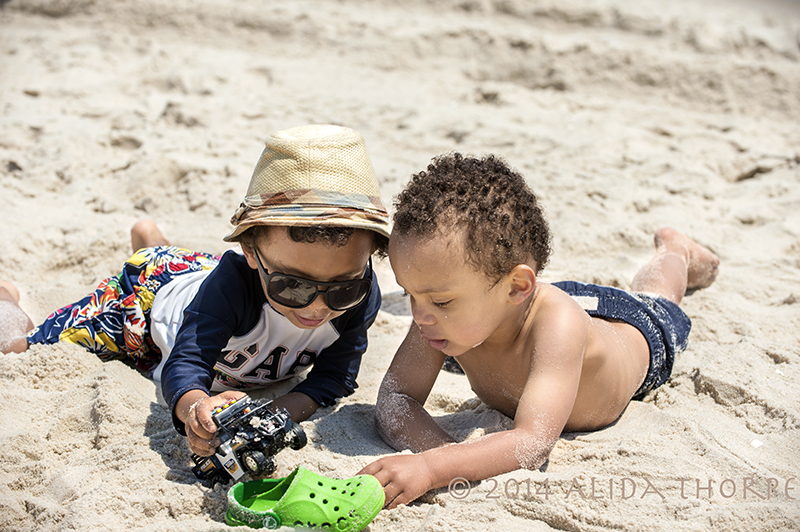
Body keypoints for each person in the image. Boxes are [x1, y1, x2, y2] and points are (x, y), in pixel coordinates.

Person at [0, 124, 391, 458]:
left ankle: (153, 241)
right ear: (251, 252)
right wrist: (196, 409)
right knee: (24, 347)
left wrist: (274, 414)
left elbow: (334, 378)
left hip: (199, 276)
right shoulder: (232, 288)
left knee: (185, 265)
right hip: (145, 306)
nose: (320, 305)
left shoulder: (361, 293)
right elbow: (186, 365)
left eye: (342, 288)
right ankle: (7, 297)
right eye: (292, 286)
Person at [359, 153, 719, 509]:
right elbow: (395, 398)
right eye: (410, 295)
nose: (420, 316)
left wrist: (432, 467)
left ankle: (677, 251)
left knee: (655, 296)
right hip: (503, 315)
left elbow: (532, 443)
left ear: (516, 288)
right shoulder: (441, 314)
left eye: (439, 301)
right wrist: (447, 451)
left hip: (631, 331)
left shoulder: (558, 326)